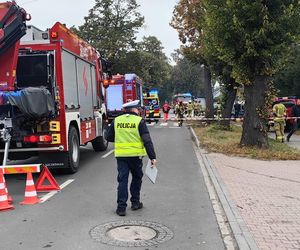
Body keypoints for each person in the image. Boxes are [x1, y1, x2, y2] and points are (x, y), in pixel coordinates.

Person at [106, 100, 157, 216]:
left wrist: (121, 138)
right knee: (137, 178)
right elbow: (147, 141)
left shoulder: (116, 121)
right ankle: (135, 203)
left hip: (121, 156)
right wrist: (152, 157)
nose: (139, 111)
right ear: (134, 109)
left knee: (122, 180)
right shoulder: (139, 121)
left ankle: (121, 208)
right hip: (136, 156)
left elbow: (109, 137)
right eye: (138, 109)